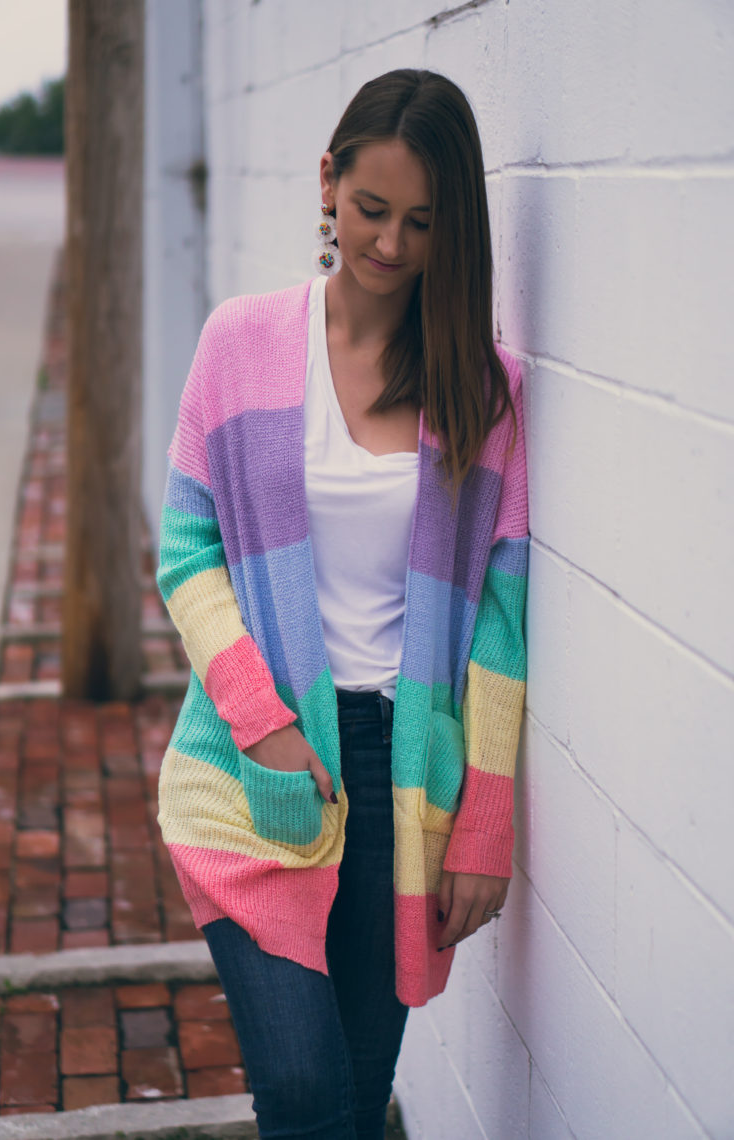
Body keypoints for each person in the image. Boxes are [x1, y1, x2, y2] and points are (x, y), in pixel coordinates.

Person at [156, 68, 529, 1140]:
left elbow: (500, 622)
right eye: (371, 209)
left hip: (401, 777)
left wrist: (484, 828)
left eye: (422, 222)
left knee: (357, 1106)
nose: (391, 245)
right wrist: (263, 722)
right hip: (253, 766)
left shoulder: (480, 389)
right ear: (327, 182)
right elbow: (186, 551)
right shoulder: (240, 342)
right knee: (307, 1094)